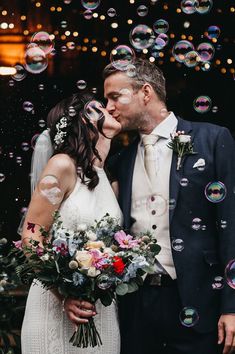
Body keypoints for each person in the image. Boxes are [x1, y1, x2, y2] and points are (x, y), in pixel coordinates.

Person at [103, 58, 235, 354]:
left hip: (198, 302)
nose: (108, 107)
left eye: (114, 96)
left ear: (146, 92)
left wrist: (232, 307)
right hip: (135, 306)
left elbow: (231, 225)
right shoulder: (120, 161)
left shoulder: (212, 140)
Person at [20, 93, 122, 354]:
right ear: (82, 122)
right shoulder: (62, 165)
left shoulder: (106, 177)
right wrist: (64, 293)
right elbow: (31, 235)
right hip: (55, 306)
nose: (110, 108)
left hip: (99, 307)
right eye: (99, 107)